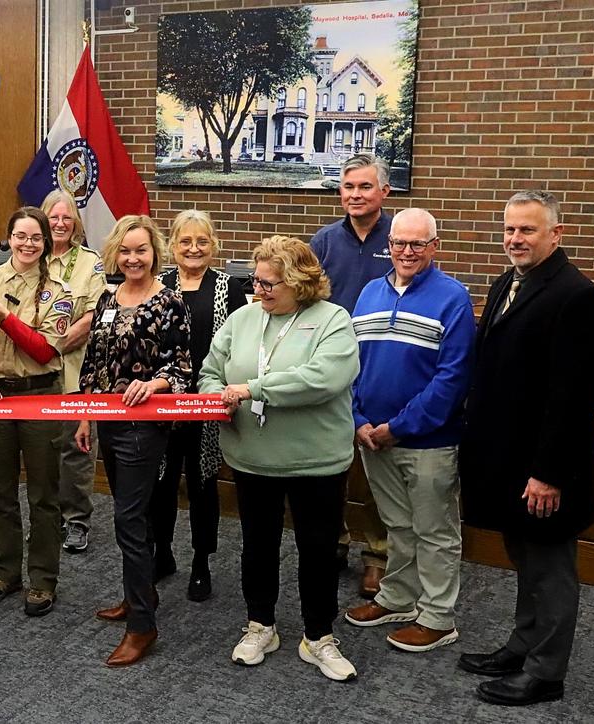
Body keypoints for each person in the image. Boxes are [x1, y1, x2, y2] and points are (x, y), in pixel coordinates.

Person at [457, 191, 594, 706]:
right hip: (507, 458)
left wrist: (548, 473)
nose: (515, 239)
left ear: (555, 234)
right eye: (509, 230)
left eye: (527, 230)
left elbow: (574, 401)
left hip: (545, 468)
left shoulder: (578, 296)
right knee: (524, 559)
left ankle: (546, 672)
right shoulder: (509, 281)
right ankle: (523, 645)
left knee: (551, 569)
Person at [199, 236, 360, 682]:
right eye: (256, 281)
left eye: (270, 284)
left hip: (317, 462)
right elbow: (211, 372)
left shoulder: (333, 320)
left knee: (318, 550)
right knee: (257, 546)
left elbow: (324, 378)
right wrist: (217, 400)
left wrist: (252, 389)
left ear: (301, 283)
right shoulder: (242, 318)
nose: (260, 291)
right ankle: (261, 625)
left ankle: (319, 636)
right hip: (252, 460)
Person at [342, 208, 475, 653]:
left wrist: (399, 427)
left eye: (418, 243)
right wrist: (359, 420)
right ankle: (398, 597)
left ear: (434, 246)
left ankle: (438, 617)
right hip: (371, 438)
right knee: (398, 524)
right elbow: (352, 364)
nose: (407, 251)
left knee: (436, 531)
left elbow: (452, 378)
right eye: (399, 243)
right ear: (389, 246)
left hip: (427, 440)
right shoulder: (368, 293)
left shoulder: (452, 298)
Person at [75, 215, 192, 667]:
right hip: (107, 423)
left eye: (141, 250)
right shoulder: (107, 298)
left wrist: (156, 385)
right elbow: (92, 365)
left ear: (154, 253)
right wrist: (85, 416)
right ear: (115, 255)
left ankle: (142, 625)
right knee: (129, 517)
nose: (133, 258)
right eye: (125, 250)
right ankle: (137, 594)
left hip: (145, 426)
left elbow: (181, 365)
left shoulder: (170, 302)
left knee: (128, 519)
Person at [0, 207, 71, 617]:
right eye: (20, 236)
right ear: (8, 238)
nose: (28, 244)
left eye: (36, 238)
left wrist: (7, 319)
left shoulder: (58, 290)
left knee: (44, 494)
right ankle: (5, 570)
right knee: (0, 490)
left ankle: (43, 579)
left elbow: (45, 350)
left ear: (47, 243)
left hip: (40, 395)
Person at [310, 153, 393, 598]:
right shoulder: (324, 241)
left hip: (380, 369)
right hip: (330, 370)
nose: (356, 195)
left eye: (365, 187)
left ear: (384, 191)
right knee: (330, 465)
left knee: (374, 470)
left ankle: (377, 555)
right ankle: (335, 541)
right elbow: (304, 296)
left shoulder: (400, 239)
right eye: (349, 187)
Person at [152, 209, 244, 601]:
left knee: (203, 485)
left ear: (214, 246)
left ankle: (201, 562)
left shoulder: (229, 287)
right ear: (171, 246)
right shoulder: (157, 285)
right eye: (185, 241)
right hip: (161, 405)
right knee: (161, 483)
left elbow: (240, 346)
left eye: (202, 241)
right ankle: (162, 553)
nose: (193, 248)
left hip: (207, 406)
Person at [40, 190, 107, 554]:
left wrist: (52, 345)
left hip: (77, 371)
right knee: (41, 450)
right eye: (54, 217)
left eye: (67, 217)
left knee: (77, 449)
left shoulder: (90, 262)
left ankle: (77, 520)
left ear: (76, 222)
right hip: (33, 373)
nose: (60, 223)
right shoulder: (30, 258)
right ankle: (47, 517)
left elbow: (94, 314)